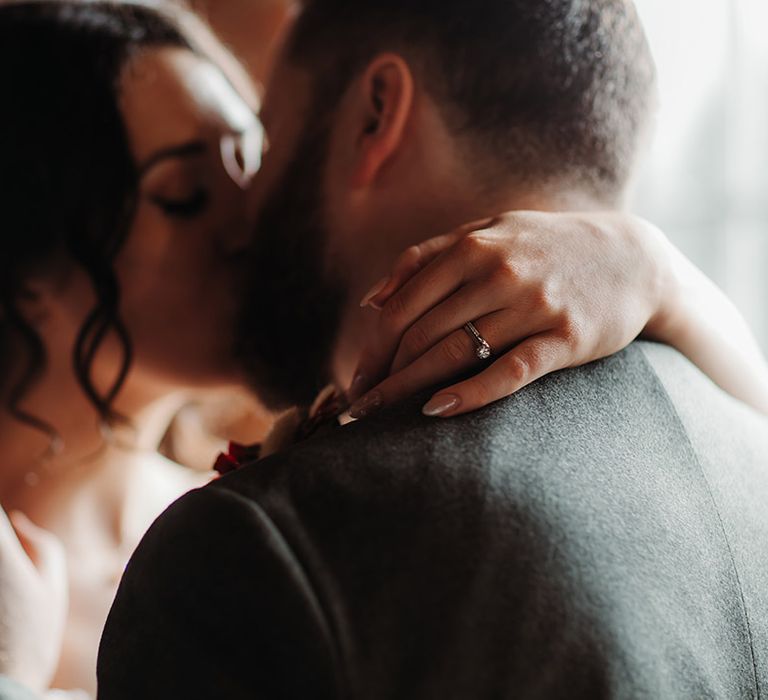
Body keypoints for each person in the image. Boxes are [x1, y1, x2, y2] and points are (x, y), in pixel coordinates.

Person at [1, 1, 767, 698]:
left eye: (250, 152)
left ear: (376, 120)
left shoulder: (268, 536)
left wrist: (657, 272)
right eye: (185, 196)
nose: (248, 220)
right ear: (26, 259)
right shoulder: (267, 530)